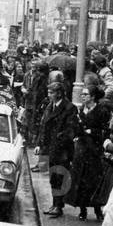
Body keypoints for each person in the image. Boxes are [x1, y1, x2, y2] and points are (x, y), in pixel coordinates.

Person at [36, 82, 80, 217]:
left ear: (59, 93)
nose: (49, 95)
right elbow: (43, 126)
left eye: (51, 93)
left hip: (62, 150)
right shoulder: (50, 106)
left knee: (60, 176)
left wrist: (58, 141)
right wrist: (40, 144)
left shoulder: (69, 108)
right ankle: (54, 204)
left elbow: (70, 130)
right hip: (50, 148)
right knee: (53, 177)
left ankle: (58, 206)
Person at [73, 85, 110, 221]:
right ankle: (82, 209)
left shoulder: (101, 111)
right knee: (82, 180)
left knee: (94, 180)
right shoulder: (81, 110)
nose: (82, 97)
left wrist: (92, 131)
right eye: (82, 94)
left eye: (85, 94)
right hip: (82, 149)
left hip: (95, 150)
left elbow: (105, 130)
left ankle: (97, 210)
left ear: (93, 97)